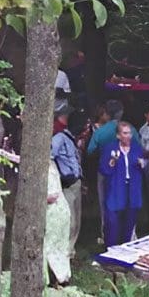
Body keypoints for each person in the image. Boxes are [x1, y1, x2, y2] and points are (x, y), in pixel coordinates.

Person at [99, 121, 144, 246]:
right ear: (118, 135)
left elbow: (144, 166)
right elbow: (104, 169)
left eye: (129, 133)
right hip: (116, 189)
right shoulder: (110, 148)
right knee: (112, 222)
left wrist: (142, 163)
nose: (128, 136)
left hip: (132, 189)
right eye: (125, 133)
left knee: (129, 221)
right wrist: (112, 161)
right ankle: (111, 250)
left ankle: (125, 247)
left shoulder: (136, 147)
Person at [51, 104, 83, 249]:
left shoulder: (71, 138)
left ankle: (71, 249)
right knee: (70, 219)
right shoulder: (59, 137)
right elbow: (50, 156)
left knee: (77, 218)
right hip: (66, 183)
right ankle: (64, 250)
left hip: (76, 182)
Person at [44, 160, 72, 286]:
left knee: (51, 246)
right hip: (60, 211)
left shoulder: (48, 170)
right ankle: (62, 276)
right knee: (59, 245)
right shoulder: (50, 163)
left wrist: (33, 196)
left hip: (55, 213)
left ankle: (56, 278)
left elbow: (52, 196)